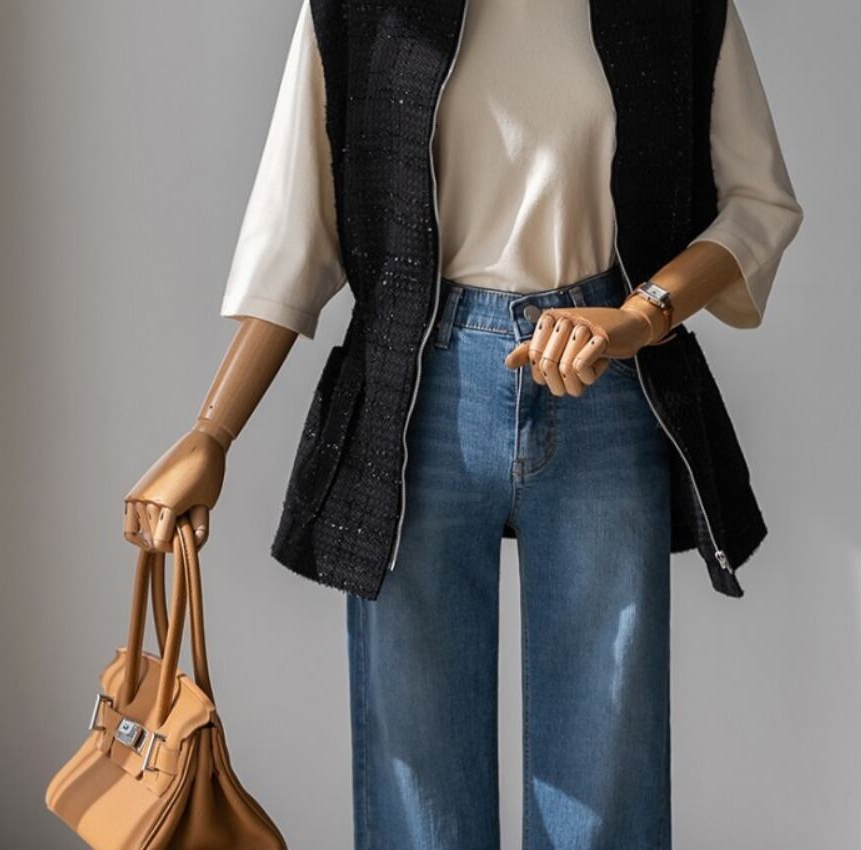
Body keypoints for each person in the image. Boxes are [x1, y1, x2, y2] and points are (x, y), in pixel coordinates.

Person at [125, 0, 802, 847]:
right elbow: (298, 234)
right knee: (415, 771)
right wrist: (210, 432)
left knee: (607, 763)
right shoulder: (360, 11)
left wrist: (641, 315)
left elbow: (757, 204)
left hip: (605, 382)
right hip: (414, 398)